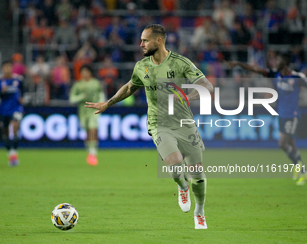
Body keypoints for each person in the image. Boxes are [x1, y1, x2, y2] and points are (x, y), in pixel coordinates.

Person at [85, 24, 213, 229]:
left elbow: (207, 86)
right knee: (174, 161)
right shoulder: (141, 66)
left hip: (184, 123)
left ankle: (200, 212)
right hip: (158, 123)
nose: (141, 44)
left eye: (145, 40)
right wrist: (107, 103)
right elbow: (129, 87)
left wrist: (187, 97)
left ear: (159, 41)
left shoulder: (180, 63)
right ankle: (182, 186)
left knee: (197, 175)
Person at [227, 53, 307, 185]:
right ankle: (300, 169)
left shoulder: (297, 76)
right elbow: (255, 70)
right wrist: (239, 64)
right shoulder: (275, 74)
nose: (275, 62)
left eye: (278, 59)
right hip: (281, 114)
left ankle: (302, 170)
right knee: (291, 144)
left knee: (282, 143)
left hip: (292, 115)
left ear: (285, 62)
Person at [69, 65, 105, 166]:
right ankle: (90, 150)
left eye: (86, 71)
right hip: (83, 111)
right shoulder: (78, 85)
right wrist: (81, 97)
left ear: (90, 72)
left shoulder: (95, 83)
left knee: (93, 128)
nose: (84, 73)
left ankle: (93, 152)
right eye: (83, 72)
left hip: (94, 110)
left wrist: (102, 104)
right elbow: (72, 99)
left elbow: (101, 94)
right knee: (87, 131)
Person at [0, 61, 24, 166]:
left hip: (16, 108)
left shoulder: (18, 80)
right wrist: (2, 92)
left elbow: (23, 92)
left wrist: (22, 99)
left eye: (9, 67)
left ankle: (14, 153)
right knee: (5, 132)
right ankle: (10, 153)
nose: (8, 69)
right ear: (2, 68)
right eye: (5, 67)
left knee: (15, 127)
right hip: (4, 110)